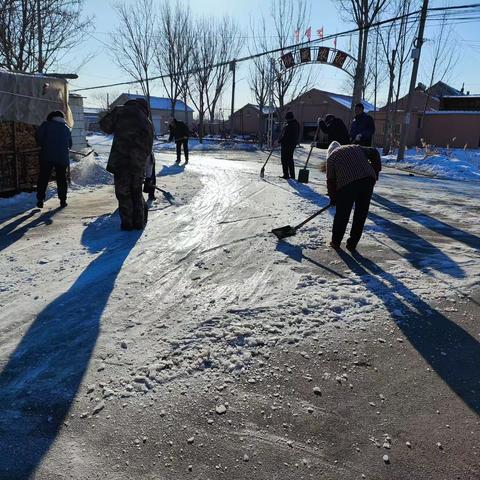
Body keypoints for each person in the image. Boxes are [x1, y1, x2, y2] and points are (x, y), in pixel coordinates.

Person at [100, 98, 154, 231]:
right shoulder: (148, 123)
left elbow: (104, 126)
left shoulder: (120, 110)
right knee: (136, 192)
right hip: (138, 164)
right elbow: (149, 151)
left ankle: (127, 224)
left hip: (121, 161)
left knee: (124, 193)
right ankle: (139, 223)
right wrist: (147, 173)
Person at [325, 141, 381, 252]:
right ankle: (352, 244)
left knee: (342, 213)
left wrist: (333, 199)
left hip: (348, 184)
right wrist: (375, 171)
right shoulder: (355, 147)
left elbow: (331, 182)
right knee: (361, 213)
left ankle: (336, 242)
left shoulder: (331, 159)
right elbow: (375, 152)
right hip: (368, 180)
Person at [35, 111, 72, 209]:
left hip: (47, 156)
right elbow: (70, 144)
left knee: (43, 177)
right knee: (62, 179)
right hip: (62, 158)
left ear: (50, 117)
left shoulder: (45, 125)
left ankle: (40, 199)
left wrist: (45, 145)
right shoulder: (66, 128)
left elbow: (38, 138)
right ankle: (63, 200)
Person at [277, 111, 300, 180]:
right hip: (293, 144)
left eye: (286, 119)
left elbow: (285, 137)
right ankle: (292, 175)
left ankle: (286, 175)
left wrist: (278, 141)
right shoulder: (297, 124)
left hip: (286, 145)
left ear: (288, 118)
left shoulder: (289, 125)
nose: (286, 120)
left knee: (284, 159)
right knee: (290, 159)